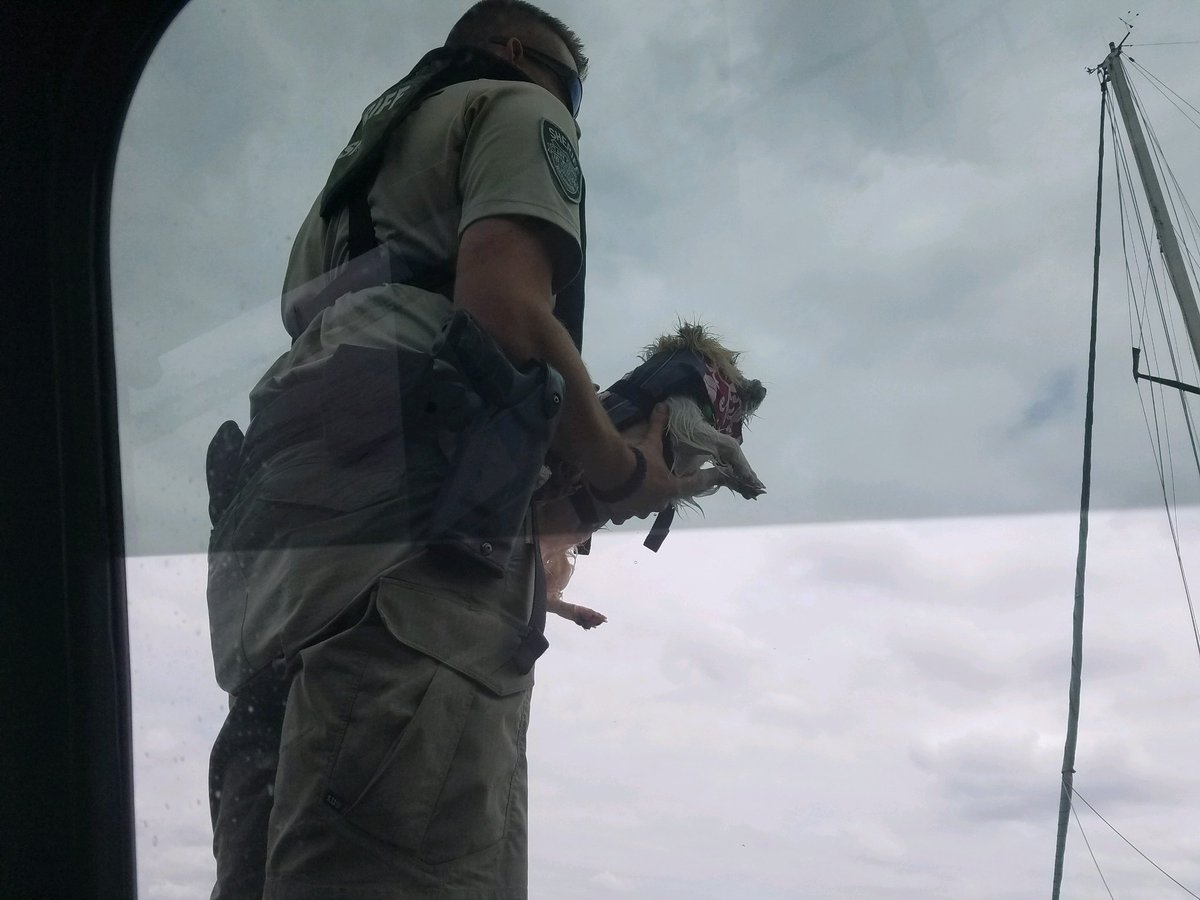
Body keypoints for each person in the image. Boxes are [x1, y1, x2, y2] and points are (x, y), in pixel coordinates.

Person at [204, 2, 701, 896]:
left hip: (276, 612)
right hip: (403, 614)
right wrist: (621, 469)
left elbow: (393, 399)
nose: (570, 113)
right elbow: (505, 307)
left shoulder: (347, 200)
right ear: (514, 53)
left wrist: (527, 544)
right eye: (571, 89)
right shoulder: (513, 105)